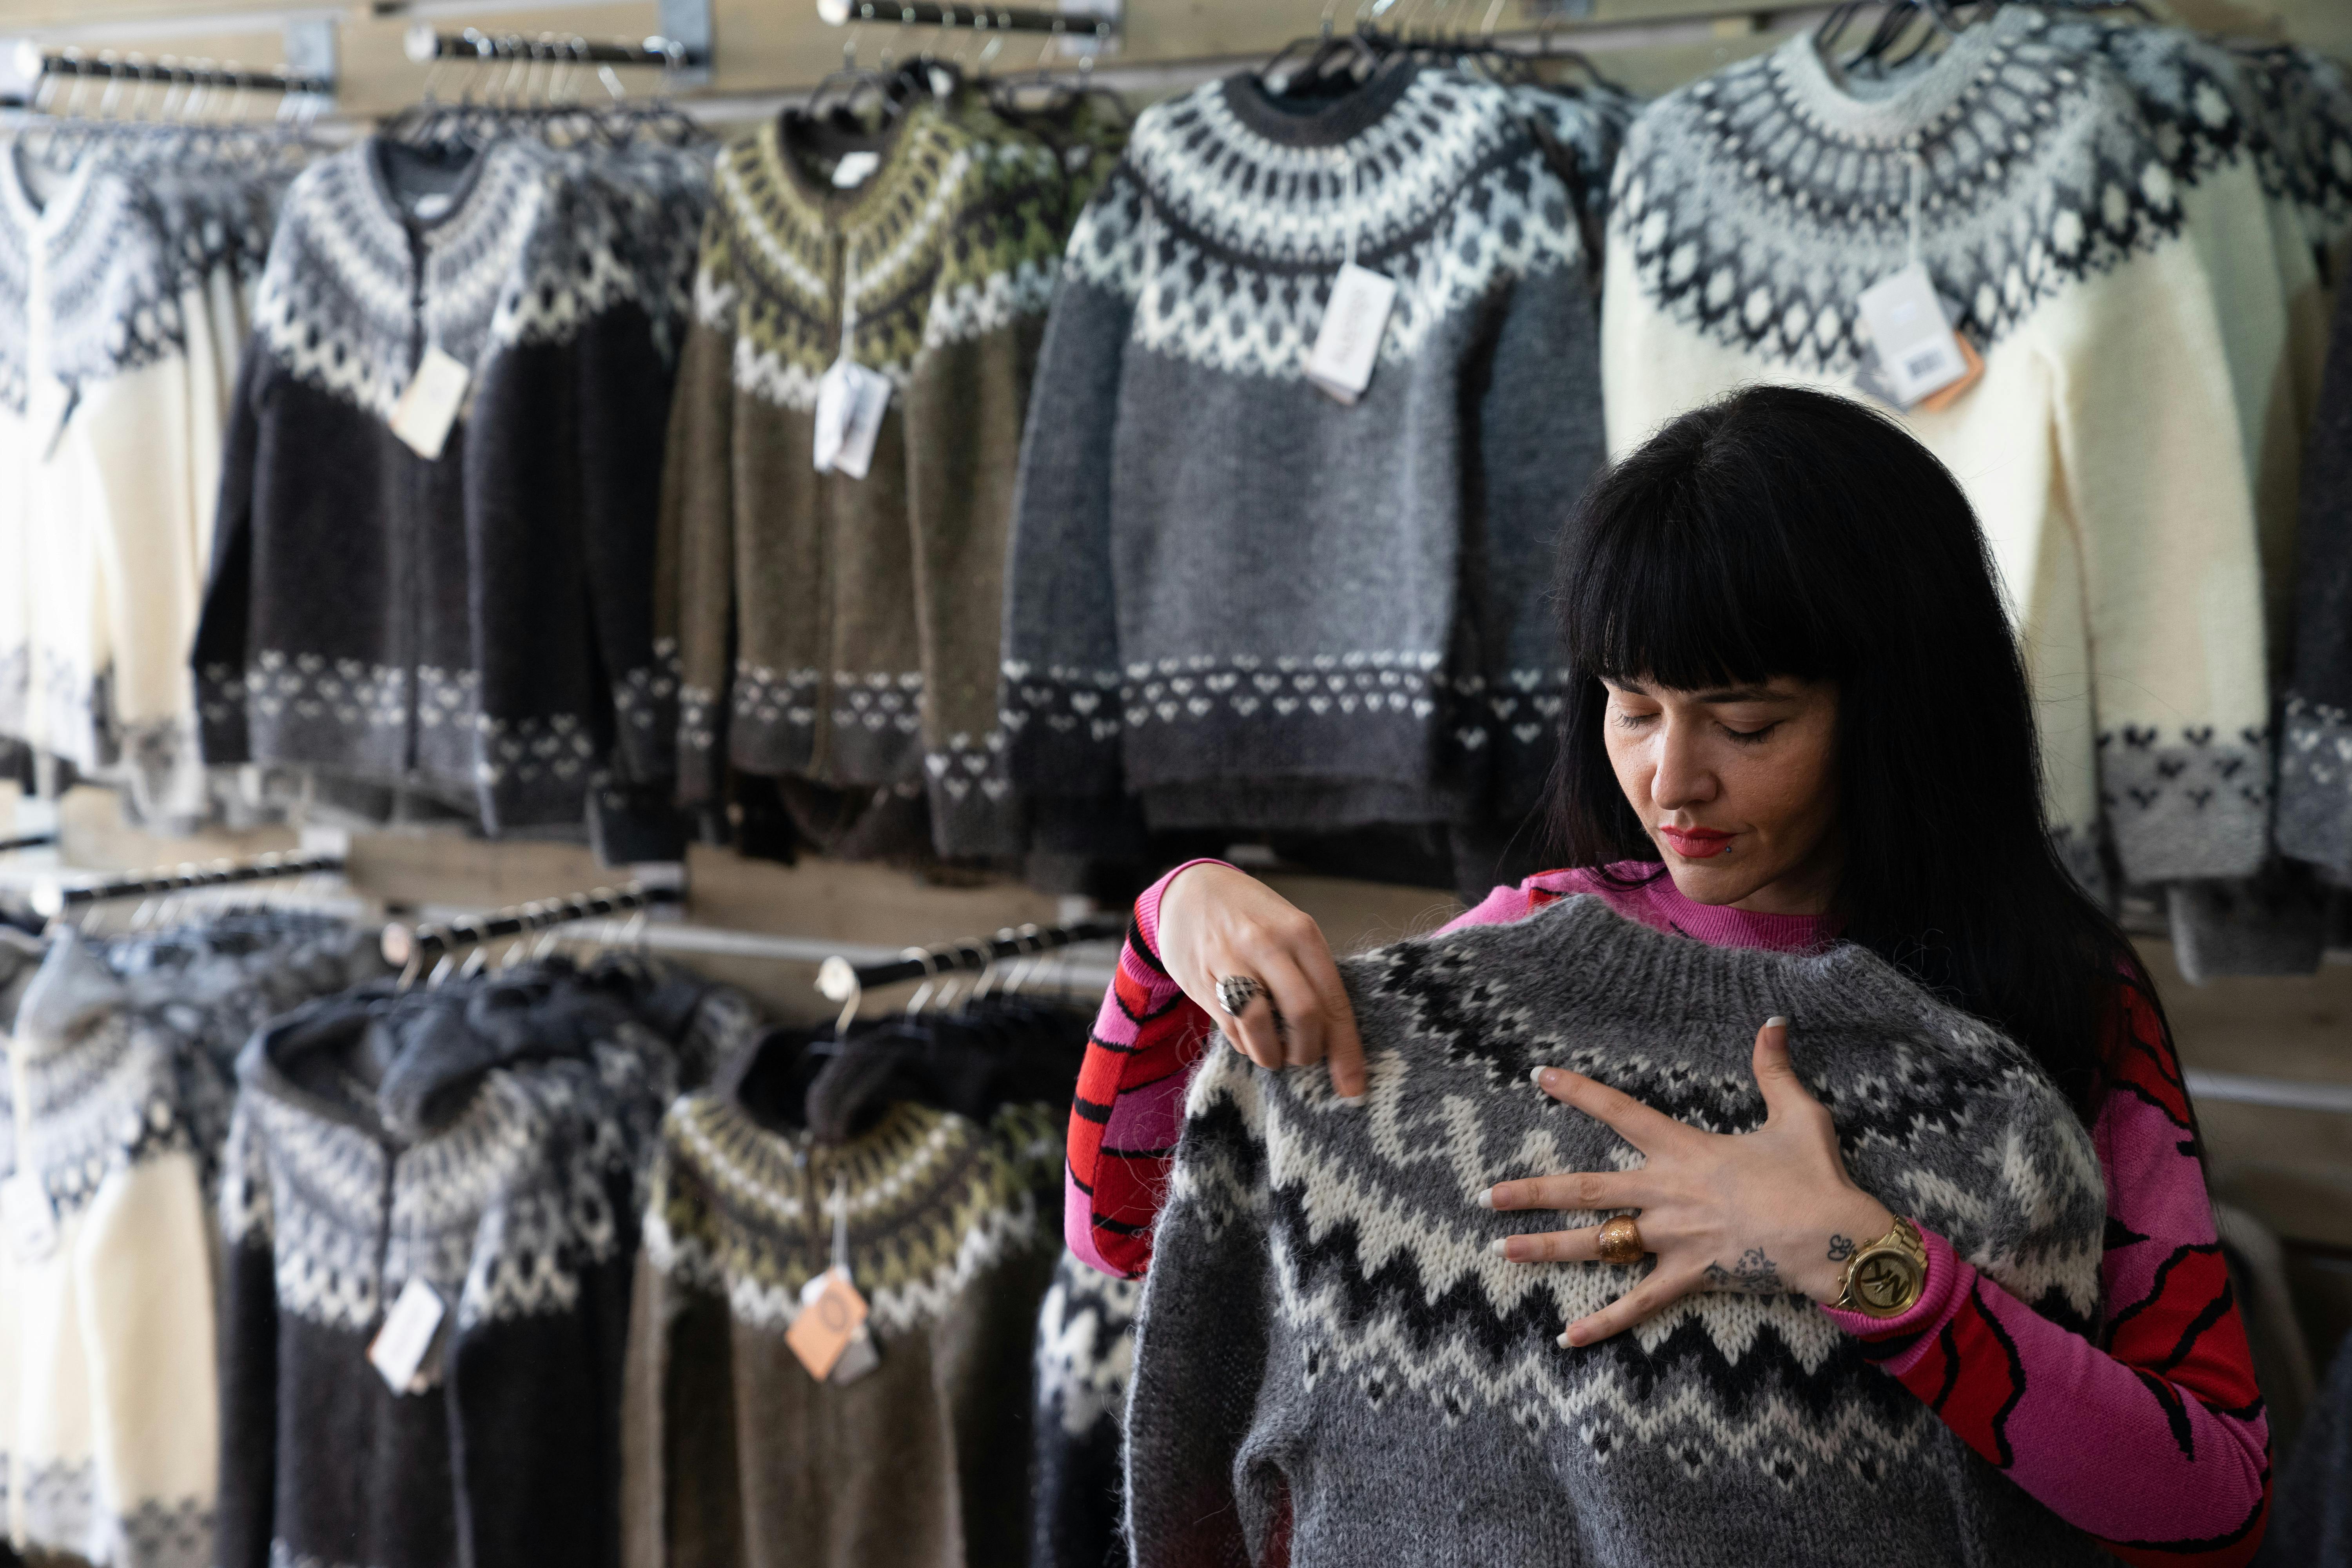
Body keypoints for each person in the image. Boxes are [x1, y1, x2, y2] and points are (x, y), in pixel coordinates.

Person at [1067, 386, 2270, 1564]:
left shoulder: (2062, 998)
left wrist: (1862, 1258)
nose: (1671, 781)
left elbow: (2210, 1503)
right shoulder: (1519, 960)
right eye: (1631, 708)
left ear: (1900, 711)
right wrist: (1167, 928)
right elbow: (1127, 1236)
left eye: (1746, 726)